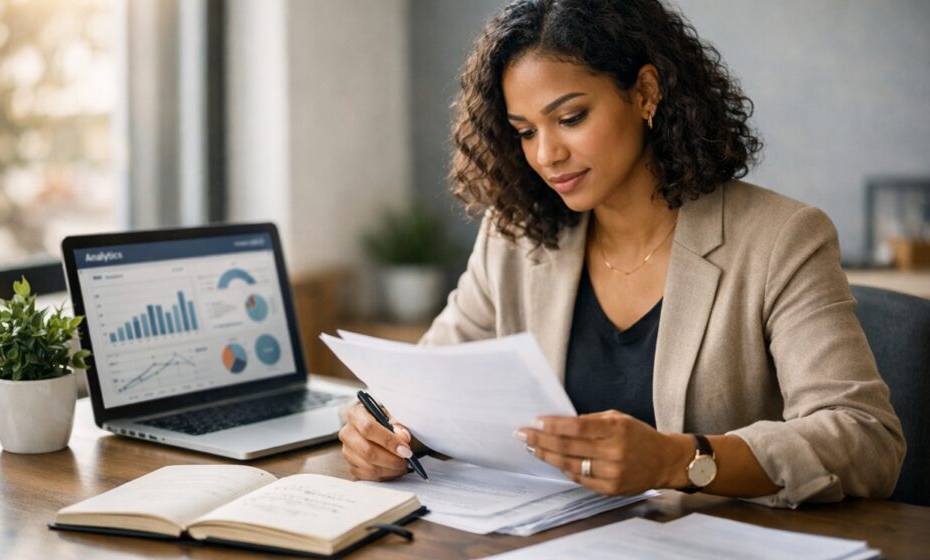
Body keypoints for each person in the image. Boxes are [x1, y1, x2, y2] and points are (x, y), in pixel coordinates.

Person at [338, 0, 904, 508]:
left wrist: (678, 460)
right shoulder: (514, 237)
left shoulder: (782, 238)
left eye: (570, 117)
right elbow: (425, 390)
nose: (546, 154)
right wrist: (379, 430)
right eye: (524, 131)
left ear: (645, 93)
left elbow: (865, 439)